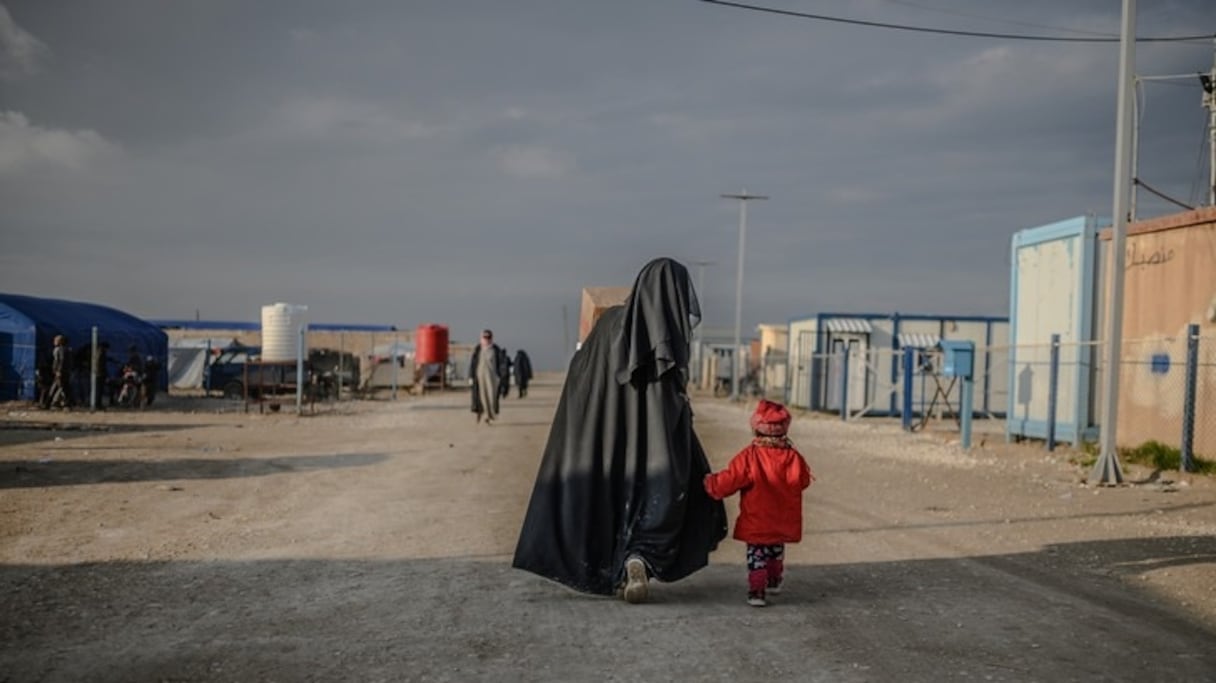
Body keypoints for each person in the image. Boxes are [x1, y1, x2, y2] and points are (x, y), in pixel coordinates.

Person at [513, 257, 727, 603]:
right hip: (656, 443)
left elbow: (583, 375)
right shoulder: (666, 337)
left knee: (608, 494)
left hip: (608, 436)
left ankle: (614, 564)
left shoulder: (610, 322)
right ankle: (638, 556)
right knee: (663, 490)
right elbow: (672, 397)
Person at [704, 399, 815, 607]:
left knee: (757, 556)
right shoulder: (793, 457)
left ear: (756, 428)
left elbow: (730, 479)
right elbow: (804, 481)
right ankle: (774, 581)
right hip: (781, 520)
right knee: (775, 552)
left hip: (757, 520)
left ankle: (757, 591)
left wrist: (711, 483)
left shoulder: (749, 457)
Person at [469, 329, 502, 424]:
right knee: (482, 397)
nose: (486, 339)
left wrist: (501, 377)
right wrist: (471, 377)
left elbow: (501, 365)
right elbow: (473, 364)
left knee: (492, 397)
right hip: (480, 377)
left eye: (488, 337)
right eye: (485, 337)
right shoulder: (478, 349)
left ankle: (491, 415)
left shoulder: (495, 350)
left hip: (492, 378)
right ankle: (485, 415)